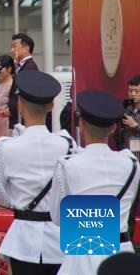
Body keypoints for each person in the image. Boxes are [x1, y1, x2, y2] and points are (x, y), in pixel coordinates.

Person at [0, 70, 75, 275]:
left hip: (23, 240)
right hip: (61, 239)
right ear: (51, 106)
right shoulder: (67, 144)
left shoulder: (6, 147)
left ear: (20, 105)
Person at [51, 90, 140, 275]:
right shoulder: (131, 164)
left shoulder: (67, 165)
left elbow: (58, 218)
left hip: (81, 255)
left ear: (81, 125)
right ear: (114, 128)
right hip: (120, 254)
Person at [0, 55, 16, 140]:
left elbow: (13, 108)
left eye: (0, 69)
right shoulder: (0, 86)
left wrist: (1, 112)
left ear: (9, 69)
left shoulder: (12, 86)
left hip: (8, 126)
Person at [116, 75, 140, 161]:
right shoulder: (124, 110)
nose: (132, 94)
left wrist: (136, 126)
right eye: (130, 91)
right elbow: (118, 134)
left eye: (136, 91)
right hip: (127, 158)